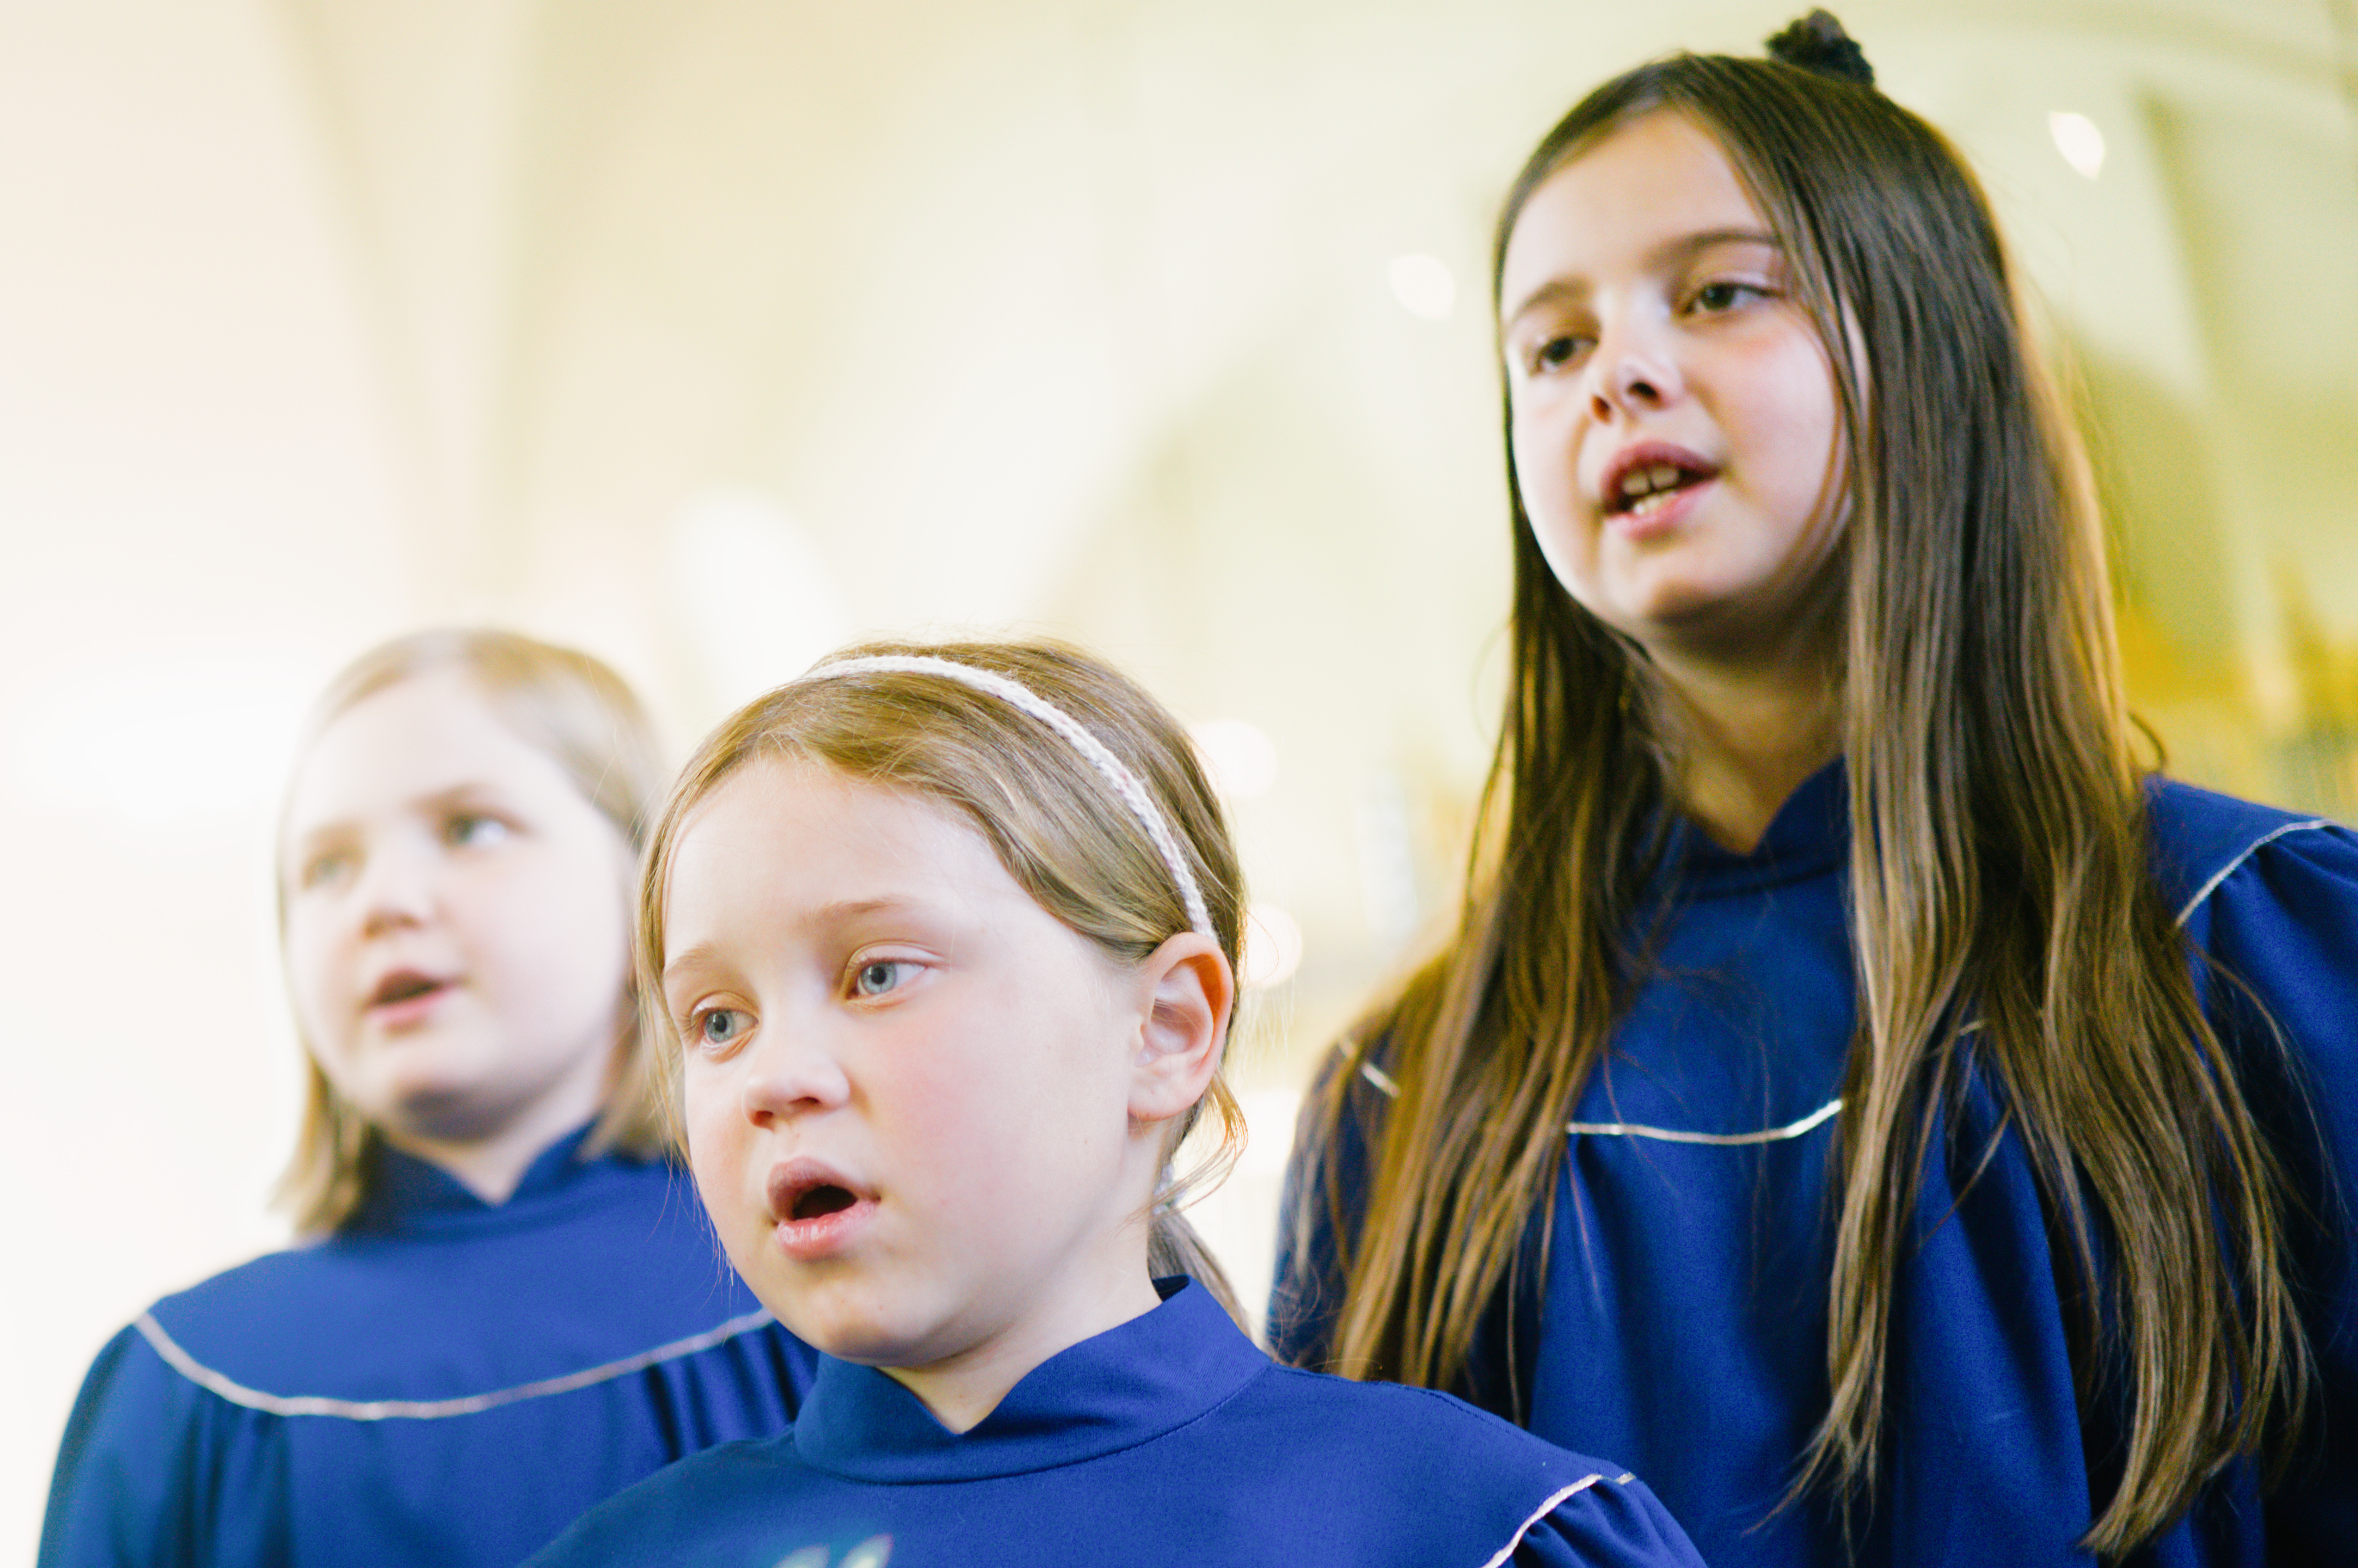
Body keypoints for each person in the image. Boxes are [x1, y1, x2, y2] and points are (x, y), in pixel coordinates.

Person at [1271, 13, 2358, 1567]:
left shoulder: (2259, 949)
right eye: (1551, 345)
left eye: (1718, 292)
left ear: (1927, 342)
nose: (1617, 375)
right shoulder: (1410, 1091)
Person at [528, 640, 1707, 1567]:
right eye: (717, 1020)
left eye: (878, 974)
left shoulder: (1472, 1532)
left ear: (1166, 1030)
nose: (777, 1077)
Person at [41, 630, 818, 1568]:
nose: (387, 900)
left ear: (647, 884)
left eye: (469, 828)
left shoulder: (820, 1283)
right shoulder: (187, 1389)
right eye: (326, 868)